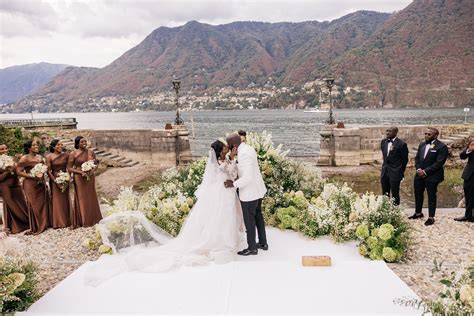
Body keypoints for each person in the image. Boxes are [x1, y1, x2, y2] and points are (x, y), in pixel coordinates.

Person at [85, 140, 244, 286]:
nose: (226, 148)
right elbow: (231, 173)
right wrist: (233, 159)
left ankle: (226, 238)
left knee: (222, 218)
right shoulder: (221, 162)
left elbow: (232, 173)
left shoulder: (223, 161)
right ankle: (220, 241)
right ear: (219, 151)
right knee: (219, 218)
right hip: (220, 193)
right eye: (224, 148)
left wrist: (232, 159)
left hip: (224, 193)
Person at [225, 133, 268, 256]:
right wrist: (233, 159)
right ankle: (263, 243)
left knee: (249, 220)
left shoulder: (244, 154)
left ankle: (252, 248)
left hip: (250, 192)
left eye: (228, 145)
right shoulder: (248, 148)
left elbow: (247, 177)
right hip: (257, 189)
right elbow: (245, 168)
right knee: (258, 217)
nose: (227, 148)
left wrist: (233, 184)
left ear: (234, 145)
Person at [409, 128, 448, 226]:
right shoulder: (422, 144)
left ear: (435, 136)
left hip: (433, 176)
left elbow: (439, 163)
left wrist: (425, 172)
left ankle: (431, 217)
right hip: (419, 175)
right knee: (418, 194)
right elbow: (417, 158)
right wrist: (418, 169)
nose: (426, 135)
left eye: (429, 134)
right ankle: (418, 213)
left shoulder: (442, 146)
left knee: (431, 196)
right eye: (425, 133)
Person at [16, 140, 50, 234]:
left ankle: (45, 223)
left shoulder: (39, 157)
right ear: (29, 148)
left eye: (36, 144)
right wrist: (32, 176)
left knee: (43, 203)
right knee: (35, 205)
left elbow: (44, 168)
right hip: (30, 184)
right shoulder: (24, 158)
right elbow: (18, 171)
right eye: (34, 145)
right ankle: (38, 226)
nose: (36, 146)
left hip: (41, 183)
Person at [68, 136, 102, 227]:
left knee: (91, 196)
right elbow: (69, 168)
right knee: (82, 197)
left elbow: (95, 164)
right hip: (79, 178)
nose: (84, 143)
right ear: (77, 143)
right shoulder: (73, 154)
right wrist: (80, 172)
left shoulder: (91, 152)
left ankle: (94, 217)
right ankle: (84, 220)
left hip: (90, 177)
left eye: (85, 141)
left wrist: (92, 171)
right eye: (82, 141)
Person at [0, 143, 29, 234]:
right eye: (1, 149)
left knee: (22, 202)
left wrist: (17, 164)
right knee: (12, 205)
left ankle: (28, 221)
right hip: (5, 186)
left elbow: (18, 172)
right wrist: (7, 172)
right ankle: (15, 226)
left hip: (16, 184)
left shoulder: (12, 159)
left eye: (6, 148)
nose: (5, 150)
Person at [380, 126, 408, 205]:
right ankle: (385, 209)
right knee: (385, 193)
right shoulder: (383, 142)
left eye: (390, 131)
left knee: (395, 193)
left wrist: (400, 172)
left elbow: (404, 160)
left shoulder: (402, 144)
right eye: (387, 131)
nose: (387, 133)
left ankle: (395, 211)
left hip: (395, 172)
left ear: (395, 133)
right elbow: (385, 157)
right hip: (385, 171)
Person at [46, 139, 71, 228]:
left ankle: (68, 220)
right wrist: (55, 181)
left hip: (65, 177)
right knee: (57, 200)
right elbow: (48, 171)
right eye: (58, 145)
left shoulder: (66, 155)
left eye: (61, 145)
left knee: (65, 198)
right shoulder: (49, 156)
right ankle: (58, 222)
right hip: (54, 178)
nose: (60, 146)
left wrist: (68, 177)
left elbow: (69, 167)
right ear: (53, 147)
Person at [454, 140, 474, 222]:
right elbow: (462, 156)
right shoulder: (472, 143)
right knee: (468, 195)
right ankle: (468, 215)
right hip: (470, 175)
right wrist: (469, 150)